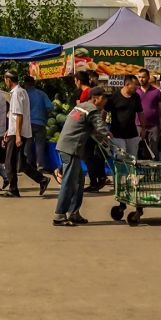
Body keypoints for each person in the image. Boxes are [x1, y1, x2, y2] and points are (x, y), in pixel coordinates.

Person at [53, 85, 116, 226]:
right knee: (69, 182)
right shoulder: (91, 109)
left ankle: (74, 212)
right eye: (104, 98)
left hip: (67, 147)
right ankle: (59, 215)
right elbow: (99, 126)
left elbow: (90, 129)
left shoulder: (81, 107)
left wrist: (102, 138)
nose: (105, 101)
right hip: (71, 148)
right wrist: (107, 134)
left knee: (79, 180)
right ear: (95, 98)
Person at [0, 70, 50, 197]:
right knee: (21, 163)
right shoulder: (22, 91)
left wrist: (16, 134)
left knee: (9, 162)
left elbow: (19, 115)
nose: (5, 82)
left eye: (5, 80)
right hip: (19, 131)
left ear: (9, 80)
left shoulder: (16, 93)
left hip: (17, 132)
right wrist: (9, 130)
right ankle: (42, 179)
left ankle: (13, 189)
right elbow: (15, 115)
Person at [105, 75, 143, 158]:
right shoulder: (114, 97)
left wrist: (143, 128)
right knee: (121, 158)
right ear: (127, 84)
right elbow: (104, 111)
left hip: (132, 134)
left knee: (133, 158)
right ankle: (121, 171)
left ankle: (132, 172)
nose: (137, 87)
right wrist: (104, 129)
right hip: (117, 134)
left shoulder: (136, 97)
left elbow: (140, 113)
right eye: (135, 84)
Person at [22, 75, 53, 173]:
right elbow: (50, 107)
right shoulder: (41, 94)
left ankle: (28, 164)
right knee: (40, 145)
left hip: (27, 123)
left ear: (25, 84)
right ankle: (40, 166)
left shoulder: (24, 94)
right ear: (33, 83)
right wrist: (44, 114)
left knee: (28, 143)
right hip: (40, 123)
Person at [135, 68, 161, 159]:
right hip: (138, 125)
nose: (141, 79)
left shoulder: (156, 92)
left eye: (143, 77)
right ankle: (138, 172)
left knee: (153, 149)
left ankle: (154, 171)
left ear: (148, 77)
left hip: (153, 126)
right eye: (139, 77)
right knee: (137, 149)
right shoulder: (135, 92)